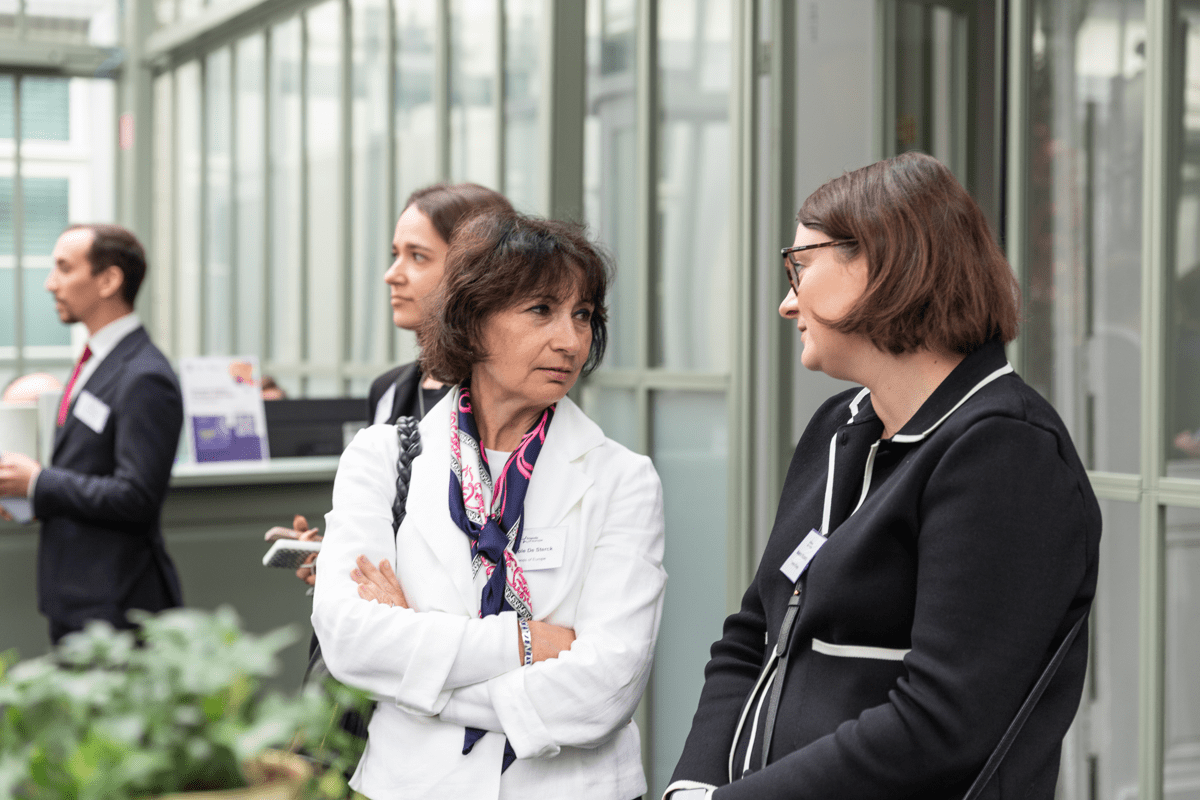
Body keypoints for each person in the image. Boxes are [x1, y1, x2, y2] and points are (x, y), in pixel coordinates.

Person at [664, 152, 1101, 800]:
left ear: (876, 264)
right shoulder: (839, 426)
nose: (788, 303)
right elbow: (754, 633)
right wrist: (691, 786)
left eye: (801, 265)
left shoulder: (1005, 454)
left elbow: (940, 725)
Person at [311, 211, 667, 800]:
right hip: (410, 785)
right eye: (541, 311)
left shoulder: (622, 478)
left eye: (583, 315)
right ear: (472, 320)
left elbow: (606, 688)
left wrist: (417, 670)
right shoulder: (382, 456)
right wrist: (527, 643)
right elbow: (349, 639)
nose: (571, 340)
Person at [291, 183, 514, 584]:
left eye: (417, 256)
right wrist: (344, 559)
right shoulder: (388, 390)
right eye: (396, 254)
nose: (392, 275)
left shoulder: (502, 400)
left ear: (476, 273)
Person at [0, 224, 184, 644]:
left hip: (118, 609)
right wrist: (29, 497)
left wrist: (40, 482)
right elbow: (87, 469)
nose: (50, 284)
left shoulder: (145, 375)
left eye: (64, 269)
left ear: (108, 280)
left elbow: (137, 496)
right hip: (78, 601)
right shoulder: (97, 362)